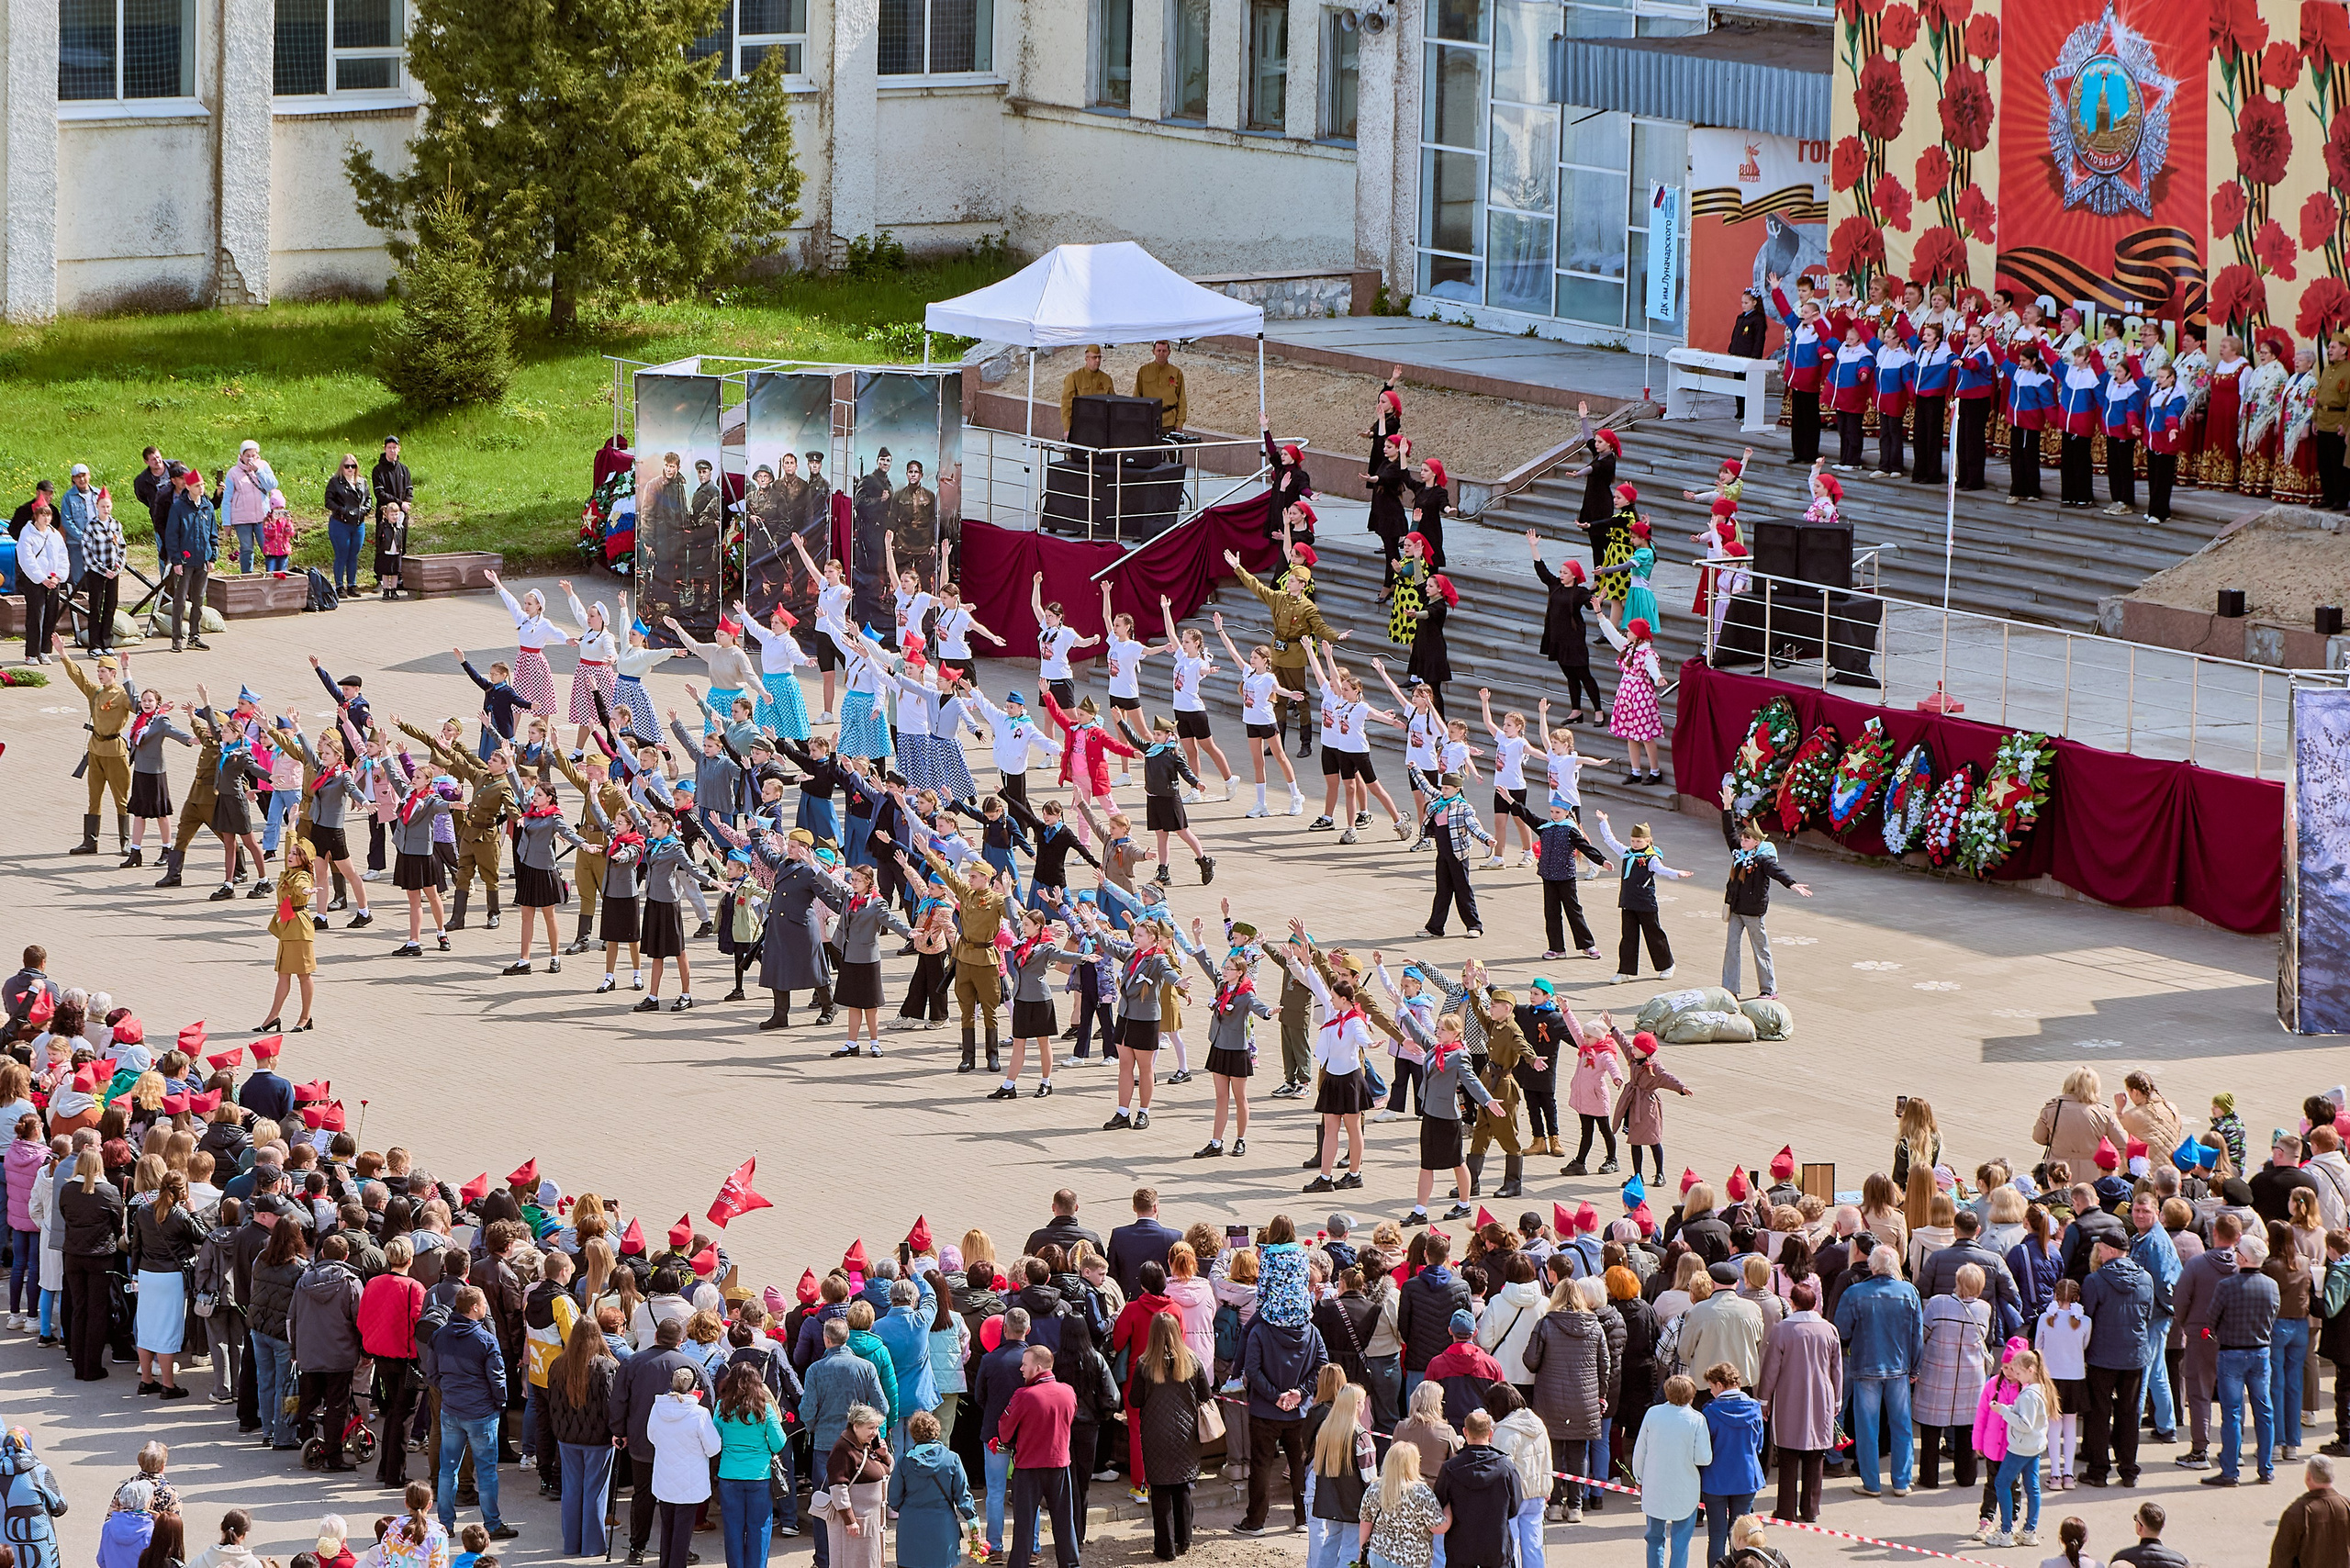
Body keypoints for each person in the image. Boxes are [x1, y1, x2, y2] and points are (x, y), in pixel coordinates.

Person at [1834, 1245, 1922, 1496]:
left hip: (1866, 1366)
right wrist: (1915, 1366)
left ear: (1872, 1266)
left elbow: (1843, 1331)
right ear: (1895, 1266)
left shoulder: (1855, 1293)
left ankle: (1871, 1483)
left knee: (1867, 1427)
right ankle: (1901, 1482)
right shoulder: (1909, 1292)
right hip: (1899, 1367)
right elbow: (1917, 1335)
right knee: (1902, 1426)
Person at [1131, 1311, 1214, 1560]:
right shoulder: (1192, 1360)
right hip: (1186, 1432)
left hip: (1155, 1433)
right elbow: (1206, 1395)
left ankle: (1165, 1548)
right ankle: (1185, 1540)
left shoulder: (1144, 1364)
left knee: (1161, 1491)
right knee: (1183, 1487)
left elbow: (1135, 1400)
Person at [2209, 1233, 2281, 1487]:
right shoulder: (2271, 1285)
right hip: (2260, 1352)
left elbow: (2212, 1319)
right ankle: (2266, 1469)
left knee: (2232, 1414)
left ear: (2241, 1257)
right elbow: (2273, 1315)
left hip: (2231, 1352)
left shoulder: (2226, 1286)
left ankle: (2230, 1471)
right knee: (2264, 1411)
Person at [2080, 1235, 2153, 1487]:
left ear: (2109, 1250)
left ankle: (2099, 1470)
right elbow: (2147, 1314)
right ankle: (2128, 1469)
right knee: (2129, 1413)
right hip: (2134, 1355)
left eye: (2100, 1248)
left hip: (2102, 1355)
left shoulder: (2095, 1281)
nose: (2098, 1252)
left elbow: (2087, 1317)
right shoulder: (2146, 1278)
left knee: (2099, 1413)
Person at [996, 1345, 1075, 1568]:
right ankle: (1070, 1564)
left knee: (1024, 1525)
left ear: (1038, 1368)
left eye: (1025, 1364)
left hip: (1028, 1468)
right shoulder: (1068, 1392)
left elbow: (1004, 1430)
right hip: (1059, 1465)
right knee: (1063, 1522)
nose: (1021, 1368)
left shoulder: (1023, 1395)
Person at [713, 1359, 788, 1568]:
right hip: (759, 1475)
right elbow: (779, 1442)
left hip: (729, 1474)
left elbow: (715, 1438)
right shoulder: (764, 1408)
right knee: (759, 1528)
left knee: (733, 1528)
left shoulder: (722, 1407)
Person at [1631, 1375, 1710, 1568]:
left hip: (1655, 1486)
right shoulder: (1697, 1420)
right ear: (1692, 1396)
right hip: (1685, 1488)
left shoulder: (1652, 1414)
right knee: (1681, 1542)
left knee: (1654, 1538)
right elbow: (1704, 1458)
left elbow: (1640, 1450)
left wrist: (1638, 1477)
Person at [645, 1364, 721, 1568]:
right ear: (693, 1386)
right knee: (682, 1533)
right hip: (691, 1481)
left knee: (667, 1529)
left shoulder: (657, 1407)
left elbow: (652, 1437)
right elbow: (713, 1448)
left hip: (664, 1478)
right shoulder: (700, 1413)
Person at [1431, 1408, 1520, 1568]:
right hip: (1496, 1546)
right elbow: (1514, 1508)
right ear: (1490, 1433)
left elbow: (1438, 1504)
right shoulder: (1506, 1467)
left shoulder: (1450, 1468)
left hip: (1461, 1548)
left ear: (1465, 1432)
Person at [1986, 1348, 2057, 1547]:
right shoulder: (2042, 1389)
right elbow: (2029, 1419)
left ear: (2031, 1370)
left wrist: (2003, 1412)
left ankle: (2006, 1530)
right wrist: (2008, 1410)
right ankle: (2029, 1530)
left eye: (2018, 1372)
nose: (2015, 1376)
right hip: (2035, 1446)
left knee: (2001, 1483)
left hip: (2020, 1448)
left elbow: (2024, 1424)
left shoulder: (2028, 1395)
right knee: (2032, 1488)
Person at [889, 1409, 975, 1568]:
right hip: (943, 1529)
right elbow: (963, 1496)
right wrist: (973, 1524)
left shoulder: (903, 1462)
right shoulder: (952, 1459)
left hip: (911, 1528)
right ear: (936, 1431)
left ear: (913, 1434)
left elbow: (893, 1499)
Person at [2275, 1453, 2350, 1568]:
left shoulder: (2297, 1512)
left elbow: (2281, 1557)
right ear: (2332, 1476)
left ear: (2308, 1476)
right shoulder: (2347, 1505)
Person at [372, 438, 414, 599]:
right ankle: (380, 580)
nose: (392, 451)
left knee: (400, 545)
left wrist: (407, 503)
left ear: (399, 449)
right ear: (385, 449)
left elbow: (409, 489)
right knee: (383, 547)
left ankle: (399, 578)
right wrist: (399, 503)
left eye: (394, 448)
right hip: (384, 515)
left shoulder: (404, 469)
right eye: (389, 448)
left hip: (401, 515)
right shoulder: (378, 470)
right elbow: (379, 493)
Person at [1134, 341, 1187, 433]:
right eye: (1158, 351)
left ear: (1169, 352)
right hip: (1147, 420)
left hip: (1169, 422)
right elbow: (1137, 396)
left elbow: (1181, 400)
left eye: (1164, 351)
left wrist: (1179, 423)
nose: (1161, 354)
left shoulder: (1176, 372)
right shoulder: (1144, 371)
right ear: (1153, 351)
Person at [1058, 344, 1113, 433]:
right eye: (1094, 357)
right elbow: (1066, 405)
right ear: (1087, 359)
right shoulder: (1074, 377)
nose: (1098, 360)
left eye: (1099, 357)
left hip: (1101, 427)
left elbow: (1113, 405)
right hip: (1080, 427)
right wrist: (1067, 428)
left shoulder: (1106, 379)